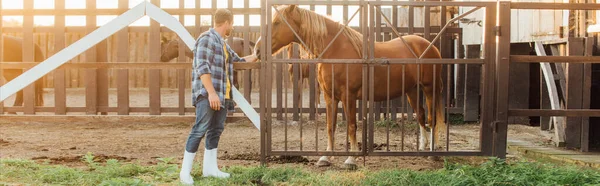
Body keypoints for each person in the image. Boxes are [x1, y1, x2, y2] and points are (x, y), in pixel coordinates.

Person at [179, 8, 258, 184]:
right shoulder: (206, 39)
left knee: (215, 131)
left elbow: (238, 61)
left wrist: (257, 54)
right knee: (199, 129)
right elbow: (202, 67)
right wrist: (212, 93)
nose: (233, 27)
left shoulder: (222, 43)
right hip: (208, 95)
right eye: (232, 23)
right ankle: (185, 173)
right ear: (227, 22)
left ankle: (210, 169)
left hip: (222, 96)